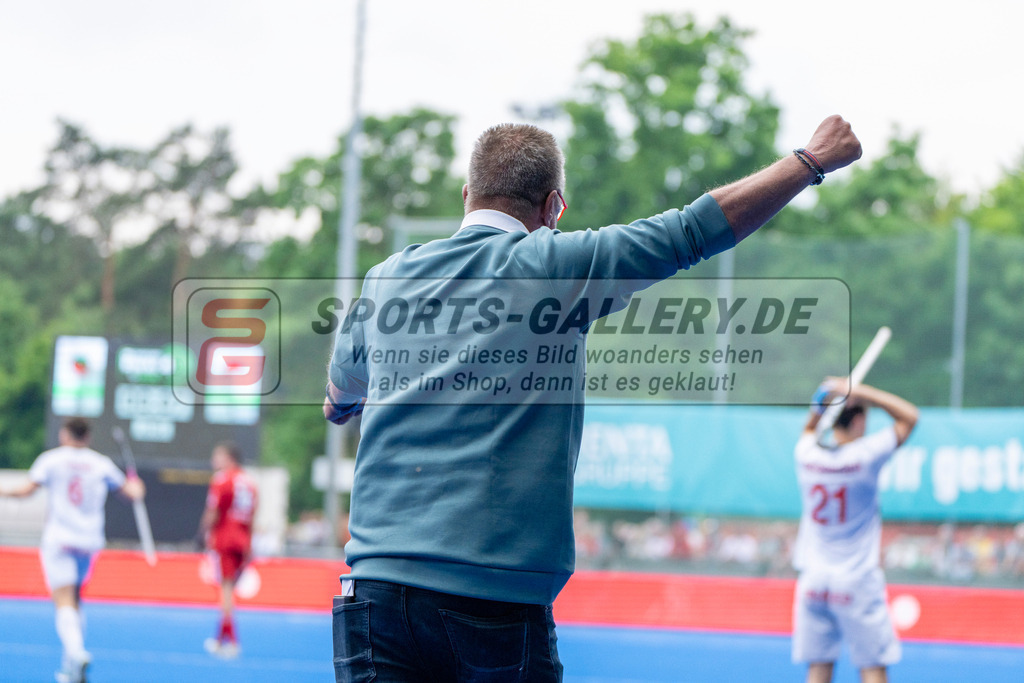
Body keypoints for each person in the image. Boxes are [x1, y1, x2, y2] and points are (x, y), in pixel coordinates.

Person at [325, 116, 862, 681]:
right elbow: (691, 231)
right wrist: (810, 161)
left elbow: (338, 400)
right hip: (493, 600)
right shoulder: (553, 264)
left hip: (372, 597)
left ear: (467, 196)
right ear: (553, 207)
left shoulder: (386, 277)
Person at [792, 379, 919, 683]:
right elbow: (910, 417)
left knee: (818, 668)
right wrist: (860, 391)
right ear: (859, 421)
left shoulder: (806, 455)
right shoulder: (865, 457)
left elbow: (810, 427)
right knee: (873, 666)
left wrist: (824, 397)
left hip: (813, 580)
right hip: (856, 580)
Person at [0, 417, 145, 683]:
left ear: (65, 434)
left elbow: (27, 490)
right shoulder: (100, 463)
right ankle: (70, 665)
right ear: (87, 437)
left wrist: (3, 492)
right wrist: (137, 487)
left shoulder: (52, 459)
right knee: (75, 598)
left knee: (64, 599)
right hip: (89, 541)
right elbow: (131, 492)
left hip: (60, 539)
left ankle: (76, 652)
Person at [198, 441, 258, 659]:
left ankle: (231, 641)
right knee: (228, 591)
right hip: (242, 540)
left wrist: (202, 534)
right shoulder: (249, 482)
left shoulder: (222, 479)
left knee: (225, 591)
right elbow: (252, 515)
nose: (213, 460)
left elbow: (213, 511)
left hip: (225, 539)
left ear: (229, 458)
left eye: (218, 456)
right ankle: (219, 639)